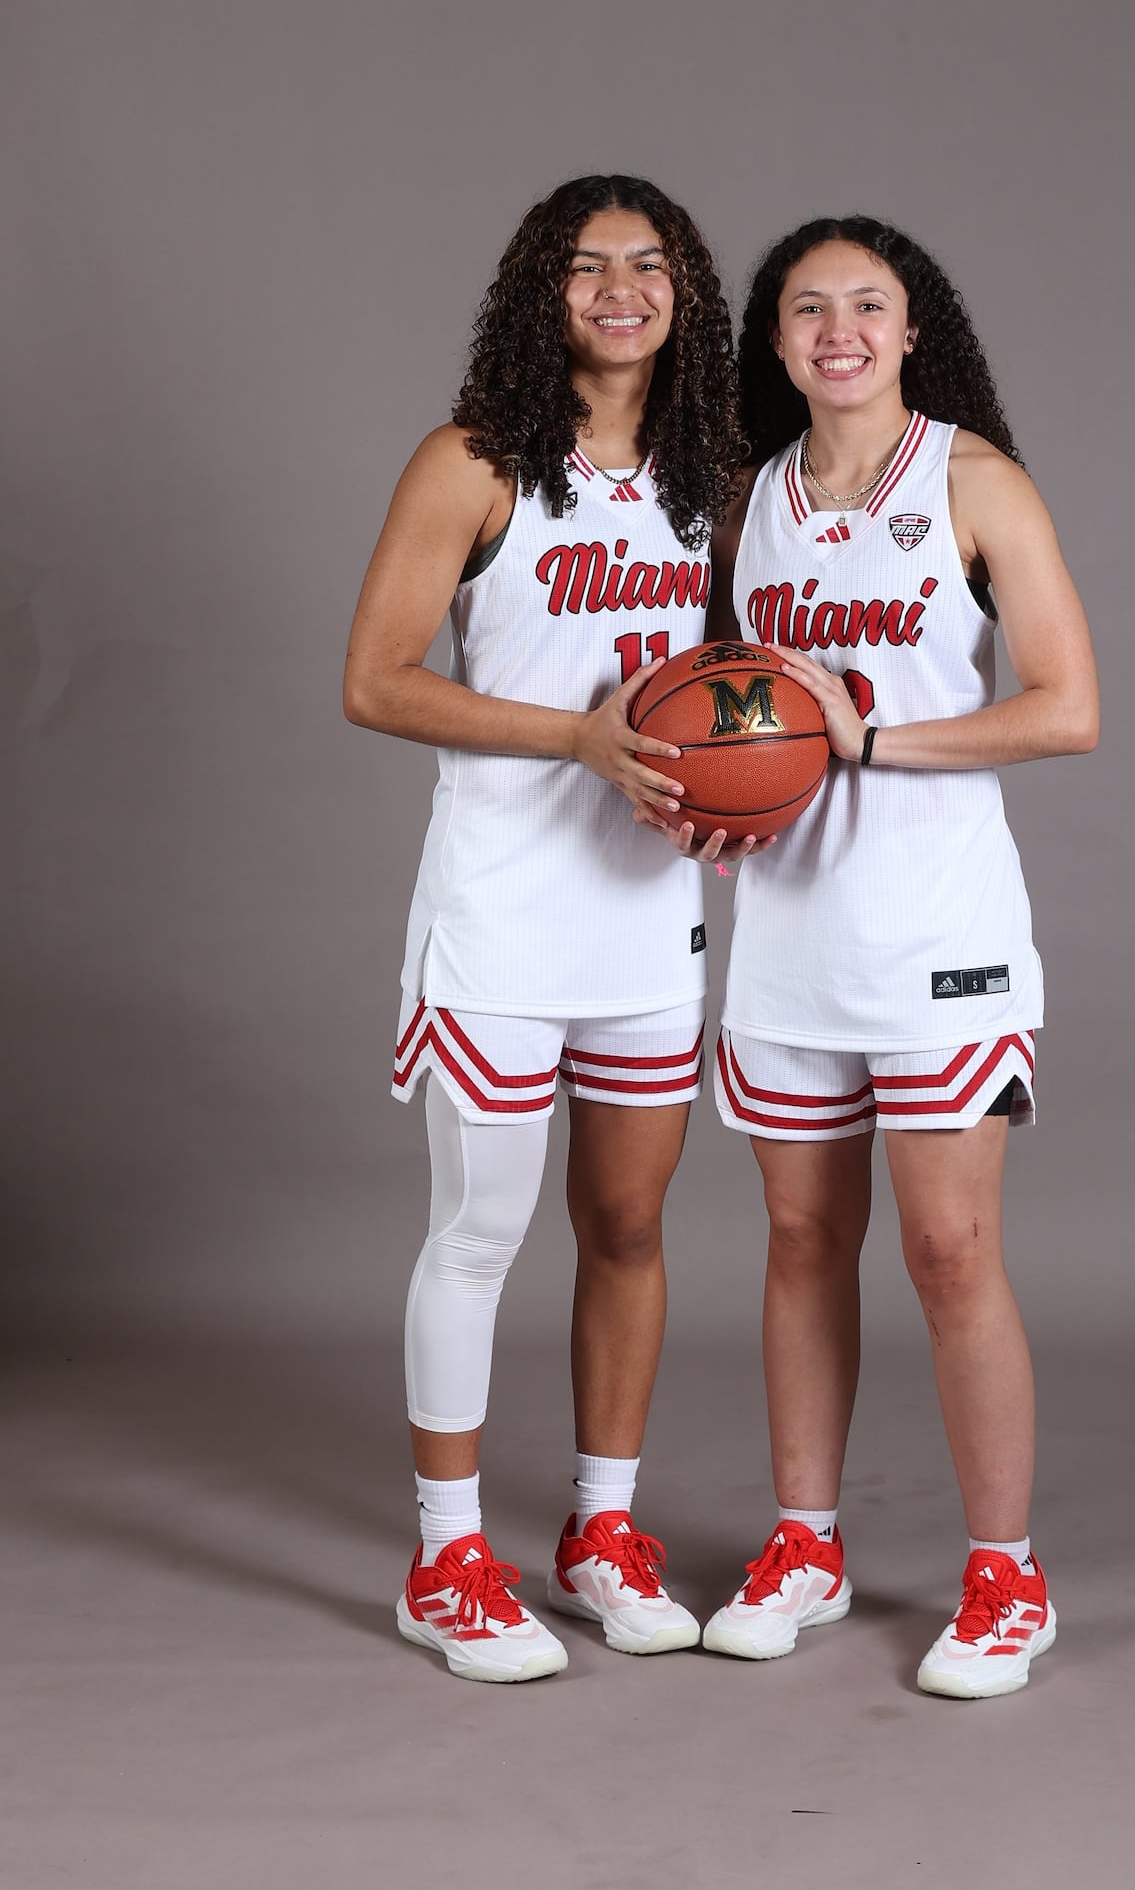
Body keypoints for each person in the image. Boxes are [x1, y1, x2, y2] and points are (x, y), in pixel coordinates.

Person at [667, 214, 1099, 1698]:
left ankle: (1005, 1576)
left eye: (869, 305)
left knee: (948, 1247)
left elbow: (1067, 706)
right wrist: (718, 803)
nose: (837, 329)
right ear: (774, 340)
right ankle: (808, 1542)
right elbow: (731, 709)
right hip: (788, 927)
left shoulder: (976, 481)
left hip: (940, 931)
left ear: (917, 330)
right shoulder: (746, 501)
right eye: (807, 308)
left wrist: (874, 738)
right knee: (799, 1240)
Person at [344, 175, 745, 1681]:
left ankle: (600, 1528)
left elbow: (730, 689)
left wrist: (728, 795)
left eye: (649, 265)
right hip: (504, 907)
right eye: (589, 267)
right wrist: (566, 739)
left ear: (685, 292)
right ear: (542, 292)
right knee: (483, 1225)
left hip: (646, 913)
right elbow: (376, 678)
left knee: (630, 1223)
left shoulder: (716, 469)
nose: (621, 288)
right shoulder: (473, 462)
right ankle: (447, 1557)